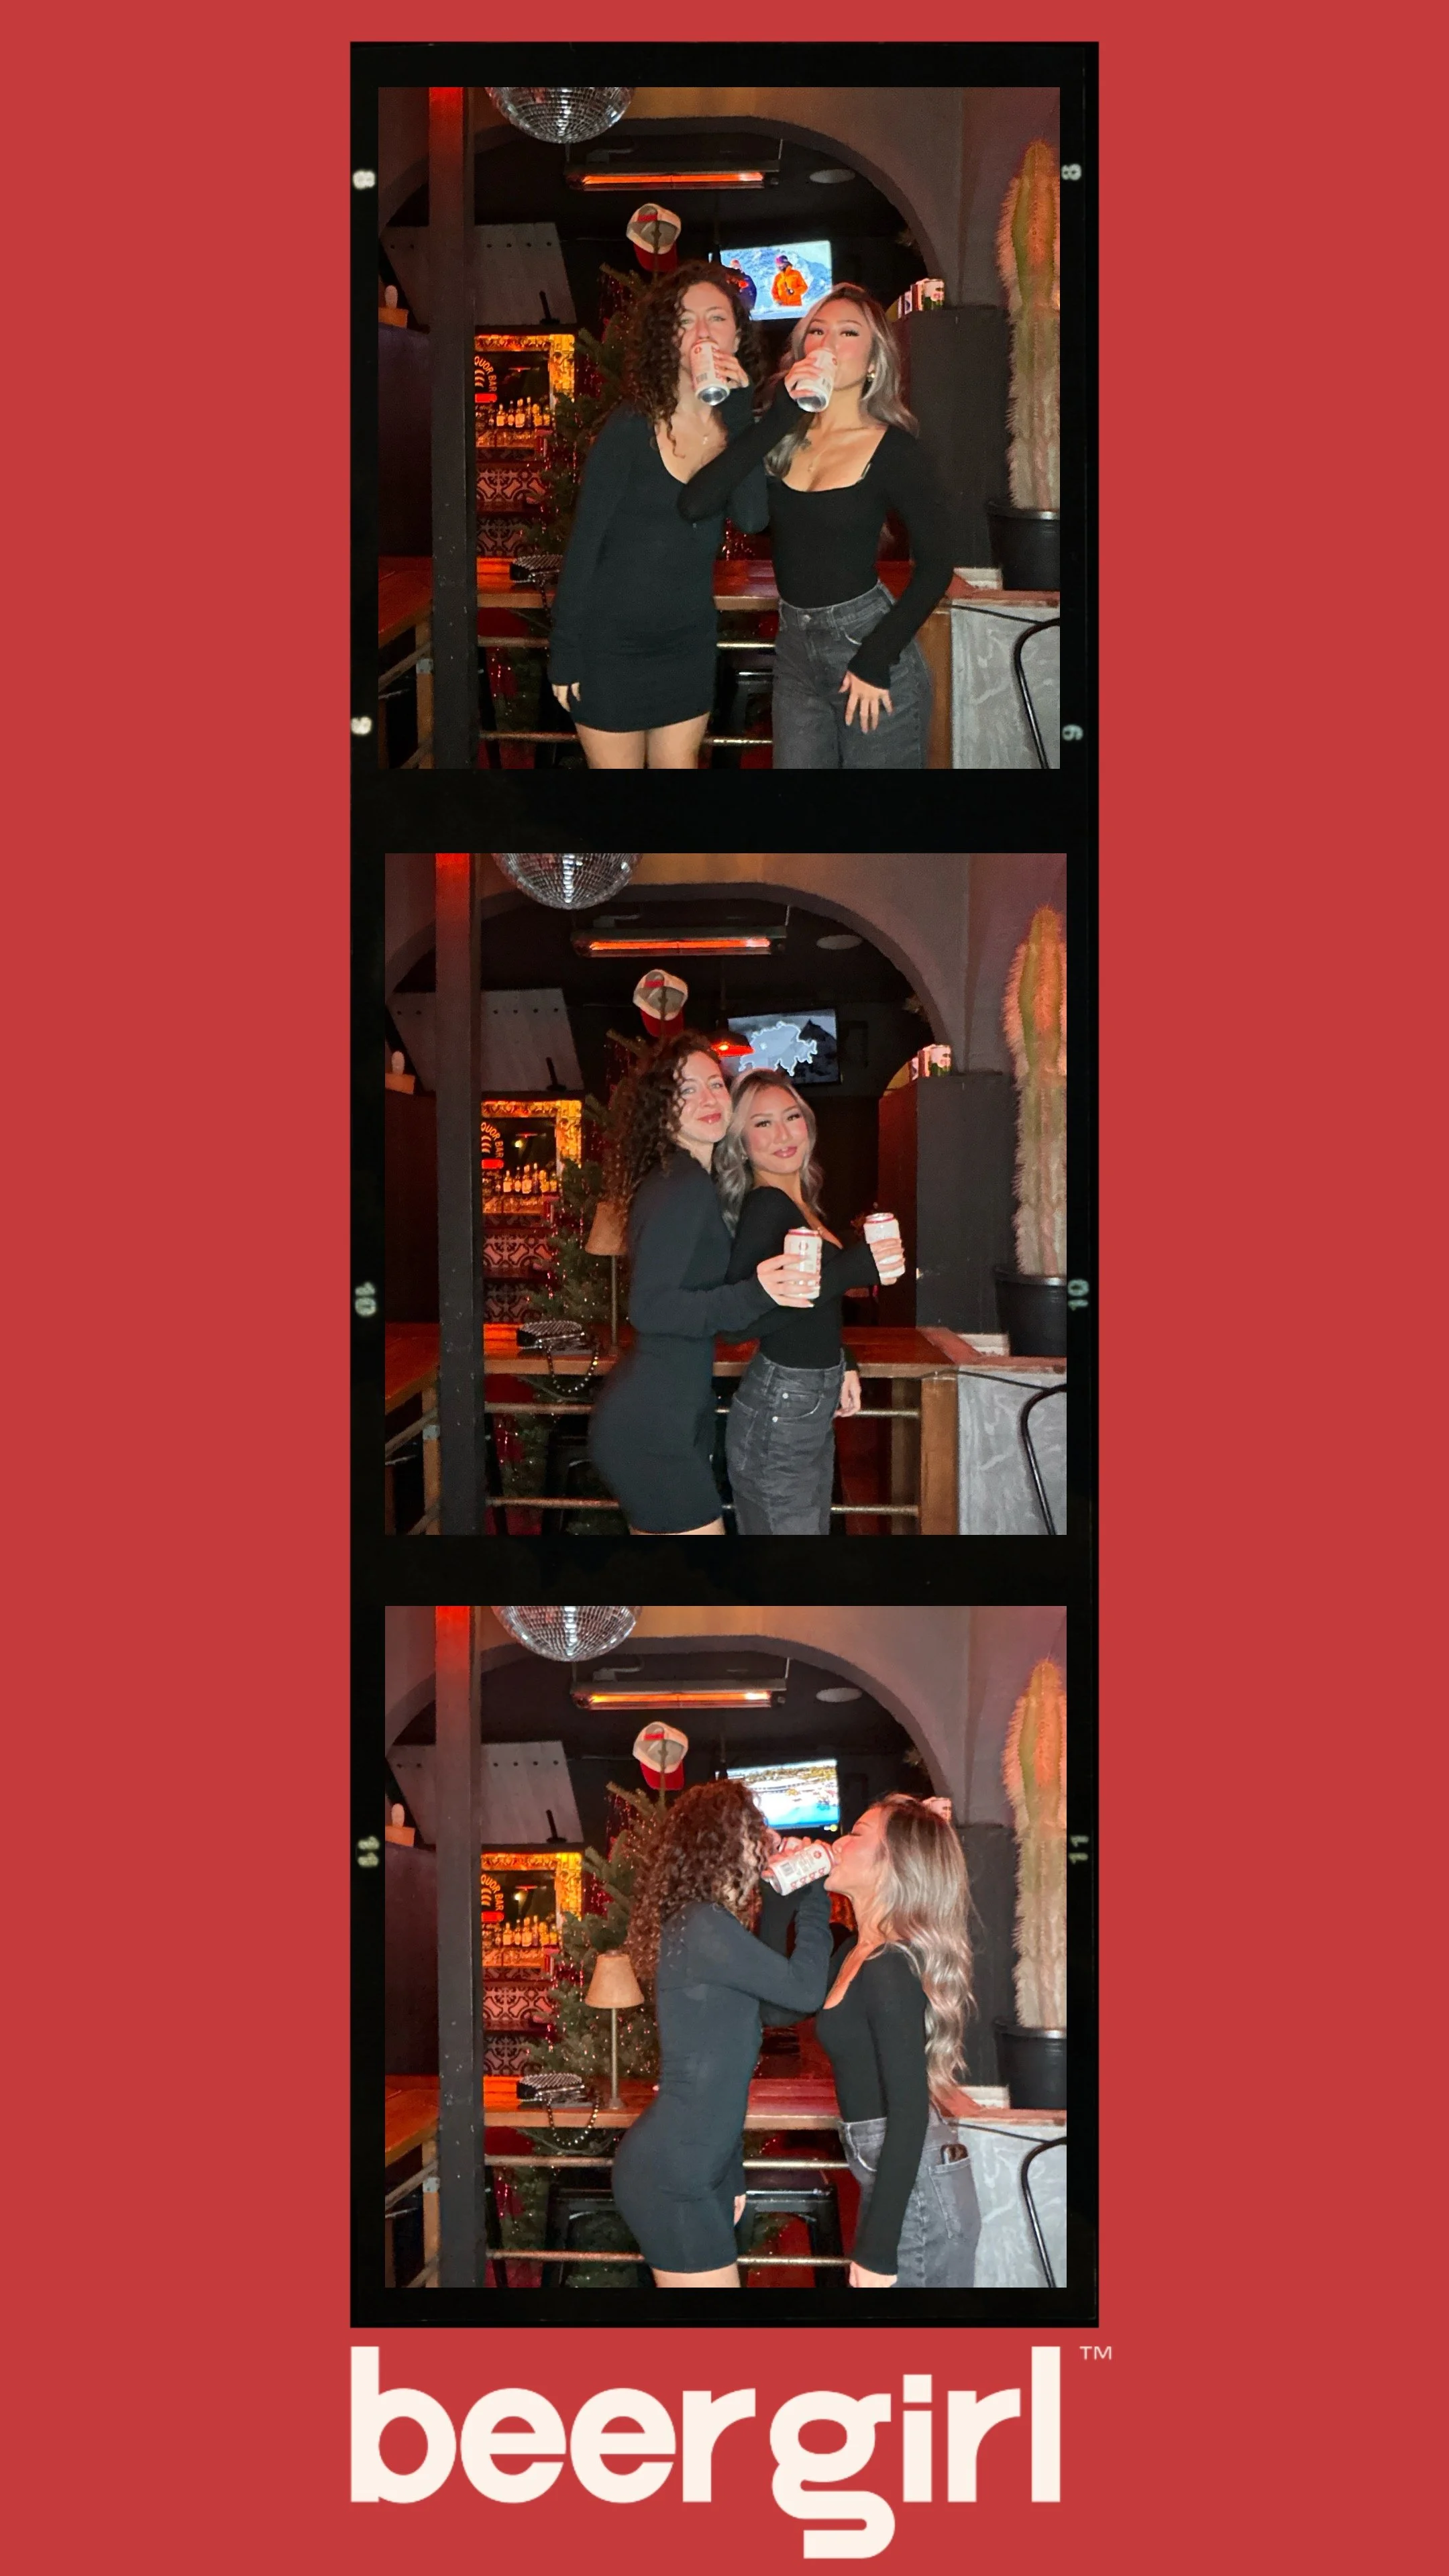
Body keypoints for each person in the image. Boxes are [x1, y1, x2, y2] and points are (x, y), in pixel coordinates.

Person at [678, 284, 954, 769]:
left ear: (873, 363)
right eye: (817, 331)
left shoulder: (894, 450)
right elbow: (697, 502)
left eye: (848, 332)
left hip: (867, 644)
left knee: (877, 842)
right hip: (795, 649)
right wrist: (778, 415)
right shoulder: (785, 439)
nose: (827, 342)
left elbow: (936, 566)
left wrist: (875, 658)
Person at [587, 1034, 813, 1535]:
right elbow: (651, 1308)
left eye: (716, 1084)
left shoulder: (683, 1179)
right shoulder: (682, 1185)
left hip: (662, 1416)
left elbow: (715, 1314)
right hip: (652, 1426)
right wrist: (756, 1291)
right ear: (662, 1109)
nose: (710, 1098)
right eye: (687, 1090)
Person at [613, 1780, 834, 2286]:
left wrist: (729, 2174)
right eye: (757, 1829)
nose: (771, 1838)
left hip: (699, 2167)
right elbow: (804, 1993)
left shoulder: (706, 1928)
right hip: (674, 2175)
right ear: (723, 1842)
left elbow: (775, 2012)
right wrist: (816, 1891)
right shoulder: (701, 1925)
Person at [547, 262, 767, 767]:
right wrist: (566, 650)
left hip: (687, 643)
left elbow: (753, 516)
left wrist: (738, 414)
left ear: (737, 334)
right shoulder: (630, 427)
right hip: (610, 646)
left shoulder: (736, 426)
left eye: (716, 318)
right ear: (667, 337)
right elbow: (584, 545)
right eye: (685, 320)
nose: (702, 333)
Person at [715, 1069, 906, 1534]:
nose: (782, 1134)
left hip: (802, 1398)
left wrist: (844, 1359)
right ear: (741, 1143)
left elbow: (806, 1306)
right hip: (783, 1401)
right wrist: (855, 1269)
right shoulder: (766, 1206)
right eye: (762, 1124)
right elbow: (738, 1323)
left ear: (808, 1124)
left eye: (791, 1117)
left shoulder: (798, 1205)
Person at [807, 1795, 985, 2286]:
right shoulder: (855, 1952)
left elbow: (907, 2112)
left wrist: (878, 2248)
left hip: (916, 2186)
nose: (839, 1840)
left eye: (857, 1832)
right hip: (893, 2178)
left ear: (893, 1861)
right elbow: (781, 2002)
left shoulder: (890, 1967)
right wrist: (792, 1892)